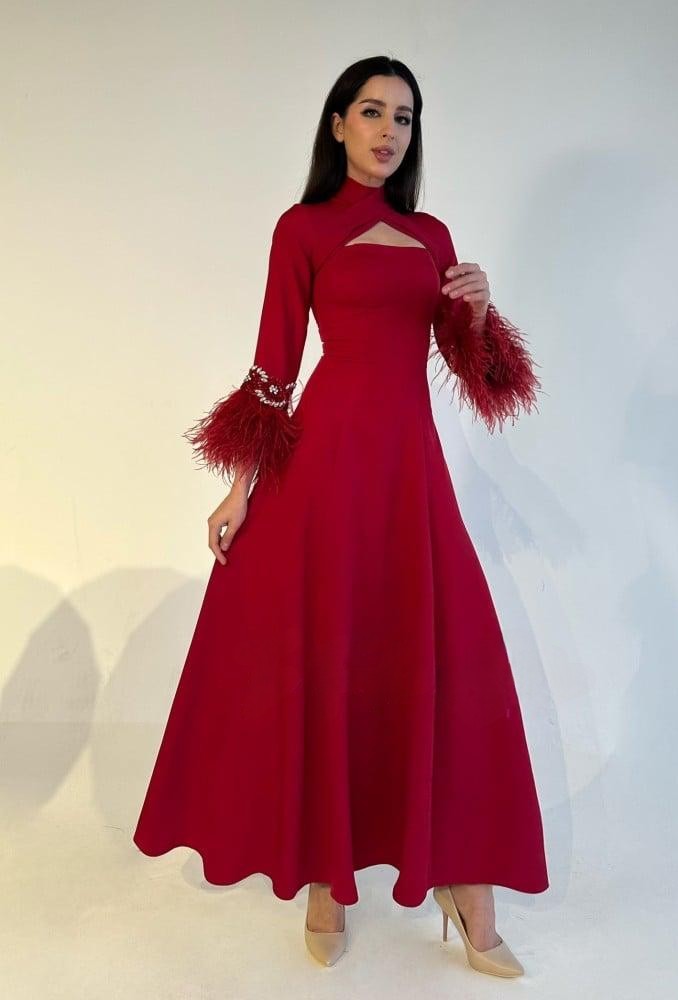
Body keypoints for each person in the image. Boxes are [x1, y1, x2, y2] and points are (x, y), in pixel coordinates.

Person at [133, 55, 549, 977]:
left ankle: (463, 885)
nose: (388, 130)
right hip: (324, 468)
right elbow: (273, 365)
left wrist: (479, 313)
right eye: (371, 111)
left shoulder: (432, 235)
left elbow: (479, 376)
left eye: (403, 116)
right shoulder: (303, 228)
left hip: (409, 473)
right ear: (336, 124)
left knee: (443, 660)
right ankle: (328, 881)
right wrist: (240, 487)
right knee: (332, 656)